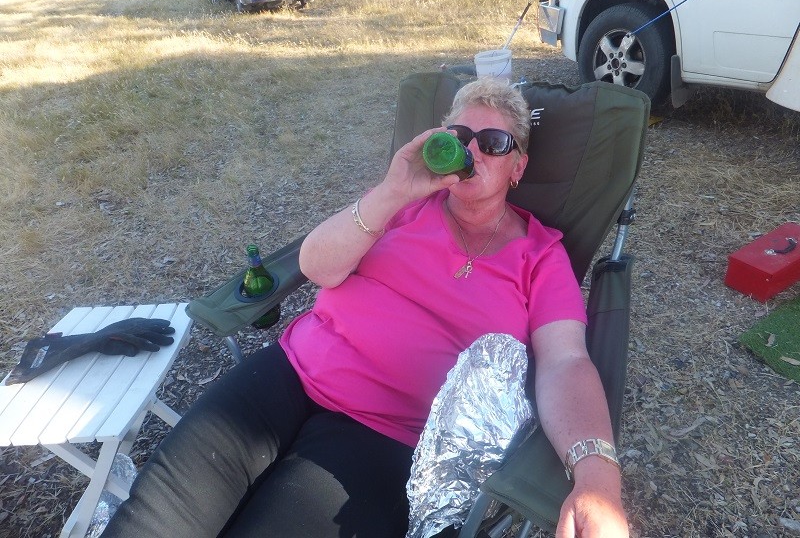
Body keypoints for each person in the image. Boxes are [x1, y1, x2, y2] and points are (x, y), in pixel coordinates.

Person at [103, 77, 628, 538]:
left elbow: (565, 361)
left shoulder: (541, 256)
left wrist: (597, 478)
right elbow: (317, 267)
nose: (473, 151)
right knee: (152, 519)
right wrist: (393, 191)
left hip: (381, 434)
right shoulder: (402, 204)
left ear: (518, 166)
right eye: (461, 137)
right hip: (285, 377)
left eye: (493, 143)